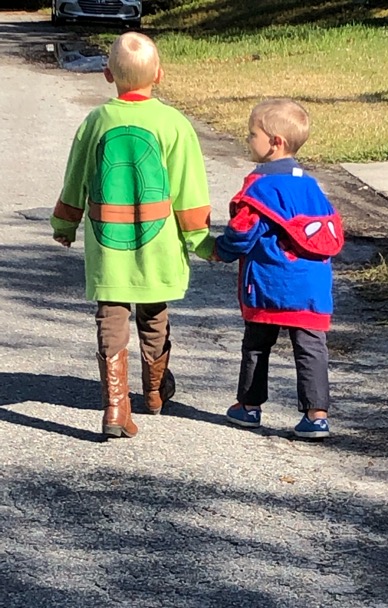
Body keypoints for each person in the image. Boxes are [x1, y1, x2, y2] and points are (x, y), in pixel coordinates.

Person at [51, 32, 214, 439]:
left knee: (111, 315)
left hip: (108, 245)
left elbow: (76, 178)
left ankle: (115, 405)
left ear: (108, 74)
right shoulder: (174, 124)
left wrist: (65, 223)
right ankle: (155, 392)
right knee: (154, 313)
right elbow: (189, 189)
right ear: (159, 74)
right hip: (157, 245)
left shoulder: (96, 121)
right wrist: (200, 239)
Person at [212, 98, 344, 439]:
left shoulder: (260, 187)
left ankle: (248, 406)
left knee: (257, 344)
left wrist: (219, 250)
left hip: (270, 283)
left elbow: (242, 232)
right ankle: (316, 415)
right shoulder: (311, 186)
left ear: (275, 142)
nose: (247, 139)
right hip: (312, 287)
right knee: (311, 348)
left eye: (251, 134)